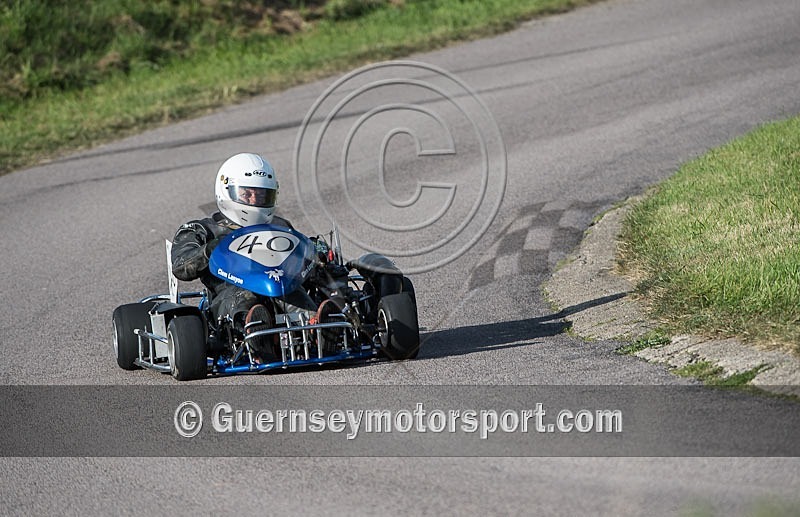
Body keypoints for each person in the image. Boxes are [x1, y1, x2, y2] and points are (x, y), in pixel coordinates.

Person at [170, 152, 293, 362]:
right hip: (229, 292)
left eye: (262, 195)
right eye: (248, 195)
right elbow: (181, 266)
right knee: (247, 296)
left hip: (280, 284)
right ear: (226, 191)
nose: (255, 201)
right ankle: (256, 334)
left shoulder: (280, 227)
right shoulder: (202, 229)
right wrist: (210, 250)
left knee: (304, 289)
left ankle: (320, 326)